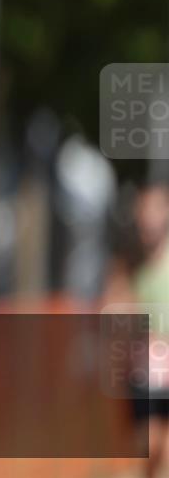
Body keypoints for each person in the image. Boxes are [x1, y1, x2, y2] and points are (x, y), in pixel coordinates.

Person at [102, 181, 169, 478]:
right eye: (145, 210)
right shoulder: (129, 261)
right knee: (150, 444)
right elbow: (112, 306)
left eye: (156, 209)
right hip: (144, 368)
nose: (149, 218)